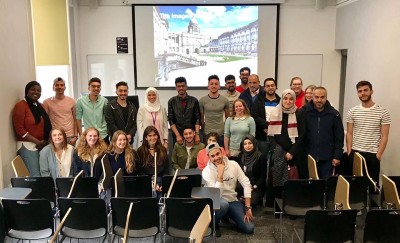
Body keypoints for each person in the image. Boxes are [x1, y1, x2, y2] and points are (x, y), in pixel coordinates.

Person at [202, 143, 255, 236]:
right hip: (217, 202)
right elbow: (216, 196)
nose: (216, 158)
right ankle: (213, 224)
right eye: (212, 156)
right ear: (208, 157)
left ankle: (226, 215)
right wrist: (220, 174)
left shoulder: (233, 164)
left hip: (232, 201)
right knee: (223, 204)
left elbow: (246, 182)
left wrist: (248, 207)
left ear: (222, 152)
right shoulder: (207, 171)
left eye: (217, 154)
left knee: (249, 228)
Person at [346, 80, 391, 185]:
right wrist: (349, 151)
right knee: (355, 185)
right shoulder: (352, 111)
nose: (363, 93)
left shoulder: (383, 112)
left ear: (371, 91)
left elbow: (385, 136)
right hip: (355, 153)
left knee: (372, 186)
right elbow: (349, 133)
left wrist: (378, 155)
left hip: (372, 155)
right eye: (360, 91)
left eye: (366, 90)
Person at [12, 81, 52, 176]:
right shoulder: (20, 106)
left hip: (41, 145)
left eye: (39, 90)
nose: (36, 92)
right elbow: (19, 129)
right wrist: (38, 142)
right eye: (33, 89)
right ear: (27, 91)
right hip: (27, 146)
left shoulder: (40, 105)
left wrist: (45, 142)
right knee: (35, 175)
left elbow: (46, 124)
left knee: (44, 173)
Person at [268, 89, 306, 188]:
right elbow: (271, 134)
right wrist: (276, 148)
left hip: (294, 152)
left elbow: (302, 134)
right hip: (279, 152)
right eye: (285, 98)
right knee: (277, 179)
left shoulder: (299, 113)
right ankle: (278, 197)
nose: (288, 101)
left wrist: (292, 152)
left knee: (293, 179)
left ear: (294, 100)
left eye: (291, 99)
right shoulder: (275, 112)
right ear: (282, 99)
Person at [304, 87, 344, 179]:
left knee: (326, 187)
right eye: (316, 97)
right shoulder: (305, 113)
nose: (319, 100)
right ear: (312, 97)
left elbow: (339, 137)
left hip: (328, 159)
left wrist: (337, 156)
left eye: (322, 97)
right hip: (309, 158)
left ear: (326, 98)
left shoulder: (334, 114)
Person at [251, 77, 281, 159]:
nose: (270, 87)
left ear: (275, 87)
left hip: (277, 136)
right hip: (262, 136)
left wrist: (272, 128)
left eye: (272, 85)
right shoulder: (258, 101)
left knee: (275, 160)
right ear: (264, 88)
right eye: (268, 86)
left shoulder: (280, 102)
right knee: (262, 159)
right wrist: (266, 126)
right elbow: (254, 115)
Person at [43, 77, 78, 146]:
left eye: (62, 85)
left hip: (69, 137)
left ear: (65, 87)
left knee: (70, 156)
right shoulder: (47, 102)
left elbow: (75, 119)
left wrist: (75, 136)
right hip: (55, 136)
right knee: (55, 157)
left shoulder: (72, 101)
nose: (59, 87)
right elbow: (44, 121)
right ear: (53, 88)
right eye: (57, 85)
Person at [168, 77, 201, 145]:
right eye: (179, 86)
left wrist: (197, 134)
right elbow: (171, 120)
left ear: (186, 87)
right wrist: (178, 135)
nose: (181, 88)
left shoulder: (194, 100)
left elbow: (198, 118)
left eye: (183, 86)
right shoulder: (171, 101)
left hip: (192, 135)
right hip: (178, 135)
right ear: (176, 88)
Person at [136, 126, 169, 194]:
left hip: (160, 180)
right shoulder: (140, 151)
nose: (153, 138)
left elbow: (166, 169)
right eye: (150, 136)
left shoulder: (163, 150)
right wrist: (150, 184)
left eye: (154, 135)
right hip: (146, 181)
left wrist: (162, 185)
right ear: (146, 137)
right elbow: (139, 171)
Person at [199, 75, 230, 146]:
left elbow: (228, 118)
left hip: (221, 133)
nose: (214, 86)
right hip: (207, 133)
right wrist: (203, 130)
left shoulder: (224, 100)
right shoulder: (202, 100)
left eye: (216, 84)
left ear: (219, 86)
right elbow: (201, 118)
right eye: (211, 84)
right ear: (208, 86)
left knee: (220, 155)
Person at [76, 77, 109, 143]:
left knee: (105, 153)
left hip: (102, 135)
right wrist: (81, 135)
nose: (96, 88)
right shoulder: (80, 101)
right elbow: (78, 119)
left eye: (98, 86)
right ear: (89, 88)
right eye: (93, 86)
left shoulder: (104, 101)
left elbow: (107, 118)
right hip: (89, 135)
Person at [236, 135, 266, 207]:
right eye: (245, 144)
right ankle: (241, 198)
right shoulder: (241, 155)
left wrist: (254, 186)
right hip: (243, 183)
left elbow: (263, 175)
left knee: (251, 202)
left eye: (250, 143)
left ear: (254, 144)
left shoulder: (260, 157)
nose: (247, 146)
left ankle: (243, 199)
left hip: (255, 185)